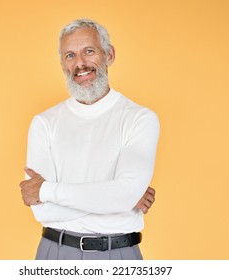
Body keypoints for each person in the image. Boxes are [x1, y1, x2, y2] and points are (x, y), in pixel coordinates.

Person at [19, 18, 160, 260]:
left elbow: (123, 195)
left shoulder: (140, 118)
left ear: (110, 55)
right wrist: (114, 199)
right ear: (62, 64)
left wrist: (46, 190)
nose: (80, 63)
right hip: (56, 253)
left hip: (119, 254)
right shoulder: (44, 122)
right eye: (70, 55)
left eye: (89, 51)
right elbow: (42, 211)